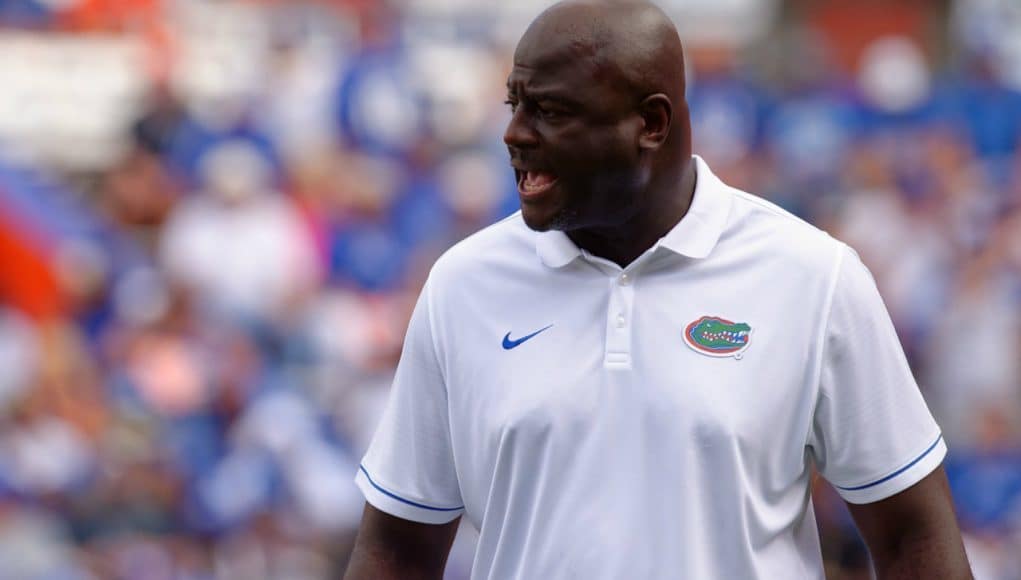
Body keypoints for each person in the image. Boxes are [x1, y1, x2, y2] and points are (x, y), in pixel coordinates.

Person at [343, 0, 973, 578]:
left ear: (650, 122)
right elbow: (395, 549)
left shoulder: (813, 276)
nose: (515, 133)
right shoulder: (462, 285)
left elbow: (912, 536)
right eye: (516, 104)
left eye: (551, 111)